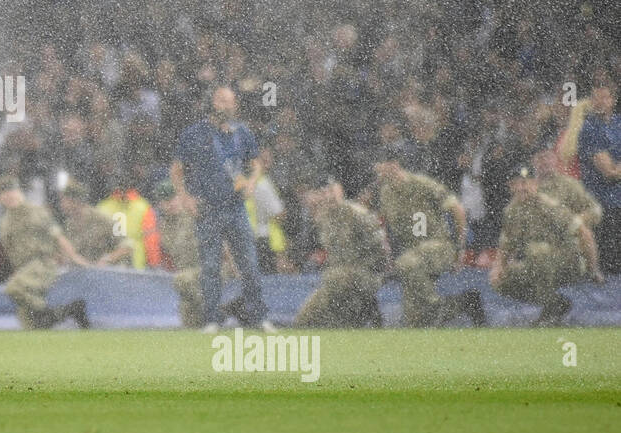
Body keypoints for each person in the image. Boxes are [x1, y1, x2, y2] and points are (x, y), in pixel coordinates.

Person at [170, 85, 271, 332]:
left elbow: (256, 164)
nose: (226, 106)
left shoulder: (242, 133)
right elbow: (176, 169)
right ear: (212, 103)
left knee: (248, 262)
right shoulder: (194, 134)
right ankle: (213, 319)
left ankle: (258, 316)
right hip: (208, 208)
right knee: (211, 266)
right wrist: (185, 198)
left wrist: (251, 181)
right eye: (221, 101)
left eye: (230, 101)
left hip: (235, 207)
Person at [371, 159, 480, 327]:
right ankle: (464, 303)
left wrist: (460, 249)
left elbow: (456, 208)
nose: (379, 174)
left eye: (381, 169)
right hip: (412, 255)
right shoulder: (385, 193)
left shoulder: (421, 184)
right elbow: (382, 224)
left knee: (407, 263)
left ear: (394, 165)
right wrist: (387, 255)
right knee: (415, 321)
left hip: (439, 246)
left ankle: (440, 308)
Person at [489, 167, 604, 326]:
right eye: (518, 183)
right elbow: (506, 245)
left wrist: (593, 270)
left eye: (526, 183)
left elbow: (585, 234)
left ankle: (551, 312)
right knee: (501, 280)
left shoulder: (548, 206)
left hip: (571, 262)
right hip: (539, 264)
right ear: (511, 187)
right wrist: (498, 268)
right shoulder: (511, 211)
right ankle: (554, 304)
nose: (523, 188)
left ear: (535, 184)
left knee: (537, 251)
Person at [0, 177, 91, 329]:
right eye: (4, 193)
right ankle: (68, 311)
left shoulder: (36, 212)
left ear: (19, 192)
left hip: (42, 263)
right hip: (24, 269)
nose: (9, 196)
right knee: (32, 326)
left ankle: (51, 313)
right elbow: (11, 251)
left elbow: (58, 236)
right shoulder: (5, 222)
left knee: (14, 288)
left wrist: (74, 257)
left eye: (12, 191)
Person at [294, 181, 387, 329]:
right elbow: (307, 248)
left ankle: (363, 312)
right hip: (336, 280)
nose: (329, 196)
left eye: (332, 191)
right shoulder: (325, 218)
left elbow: (380, 249)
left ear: (341, 192)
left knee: (340, 318)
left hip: (364, 275)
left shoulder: (357, 213)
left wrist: (362, 270)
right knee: (304, 320)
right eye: (325, 192)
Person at [577, 82, 621, 274]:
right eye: (595, 98)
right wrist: (615, 168)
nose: (599, 102)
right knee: (608, 269)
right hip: (601, 206)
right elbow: (609, 173)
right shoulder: (588, 128)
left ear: (613, 100)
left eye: (604, 97)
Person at [154, 184, 204, 328]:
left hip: (207, 269)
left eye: (173, 198)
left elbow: (222, 240)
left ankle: (215, 309)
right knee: (189, 324)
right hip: (189, 277)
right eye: (166, 201)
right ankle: (220, 310)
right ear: (160, 204)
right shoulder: (163, 226)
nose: (171, 204)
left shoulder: (195, 214)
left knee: (181, 280)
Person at [59, 181, 131, 266]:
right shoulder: (68, 225)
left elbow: (127, 245)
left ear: (75, 201)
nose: (61, 204)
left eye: (64, 200)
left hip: (105, 274)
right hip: (82, 274)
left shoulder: (103, 219)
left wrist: (109, 259)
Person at [532, 149, 603, 229]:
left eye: (548, 157)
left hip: (563, 237)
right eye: (540, 158)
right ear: (533, 161)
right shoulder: (525, 187)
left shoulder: (568, 184)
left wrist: (577, 222)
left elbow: (595, 210)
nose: (544, 162)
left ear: (555, 160)